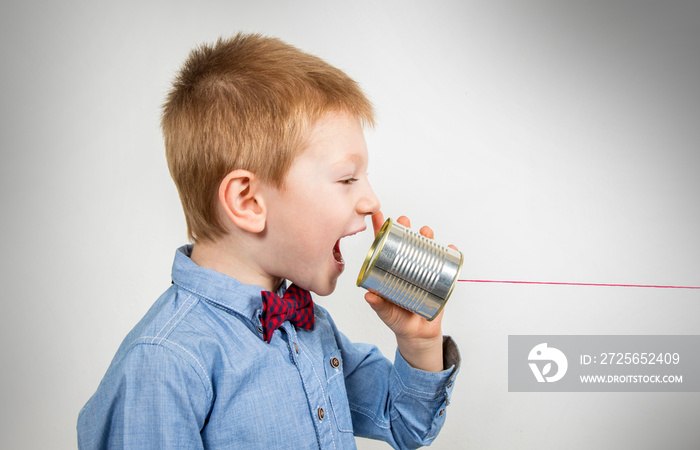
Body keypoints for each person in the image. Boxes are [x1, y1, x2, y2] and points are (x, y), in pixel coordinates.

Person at [77, 33, 460, 449]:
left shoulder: (309, 326)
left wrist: (418, 342)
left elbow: (403, 425)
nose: (371, 201)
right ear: (248, 201)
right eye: (347, 179)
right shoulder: (164, 364)